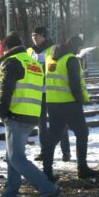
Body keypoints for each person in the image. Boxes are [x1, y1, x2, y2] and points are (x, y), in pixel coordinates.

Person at [0, 32, 60, 197]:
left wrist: (3, 112)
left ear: (6, 48)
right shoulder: (32, 62)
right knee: (12, 157)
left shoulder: (11, 62)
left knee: (16, 158)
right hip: (31, 114)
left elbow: (4, 89)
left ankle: (48, 189)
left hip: (16, 115)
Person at [43, 35, 99, 181]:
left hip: (52, 104)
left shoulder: (50, 58)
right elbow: (75, 84)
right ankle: (82, 168)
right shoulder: (71, 59)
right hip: (69, 104)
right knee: (82, 133)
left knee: (52, 138)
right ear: (77, 47)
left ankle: (47, 172)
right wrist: (81, 100)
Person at [27, 26, 71, 162]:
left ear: (45, 37)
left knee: (59, 123)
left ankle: (66, 152)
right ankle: (44, 151)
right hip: (37, 93)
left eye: (38, 35)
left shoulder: (52, 49)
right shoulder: (29, 51)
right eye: (33, 35)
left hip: (52, 92)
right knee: (41, 125)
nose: (35, 38)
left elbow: (56, 69)